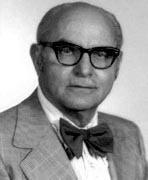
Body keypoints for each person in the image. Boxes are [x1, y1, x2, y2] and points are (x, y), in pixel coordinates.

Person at [0, 2, 147, 180]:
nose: (84, 70)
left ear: (117, 66)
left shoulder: (129, 134)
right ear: (38, 59)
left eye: (101, 54)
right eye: (67, 51)